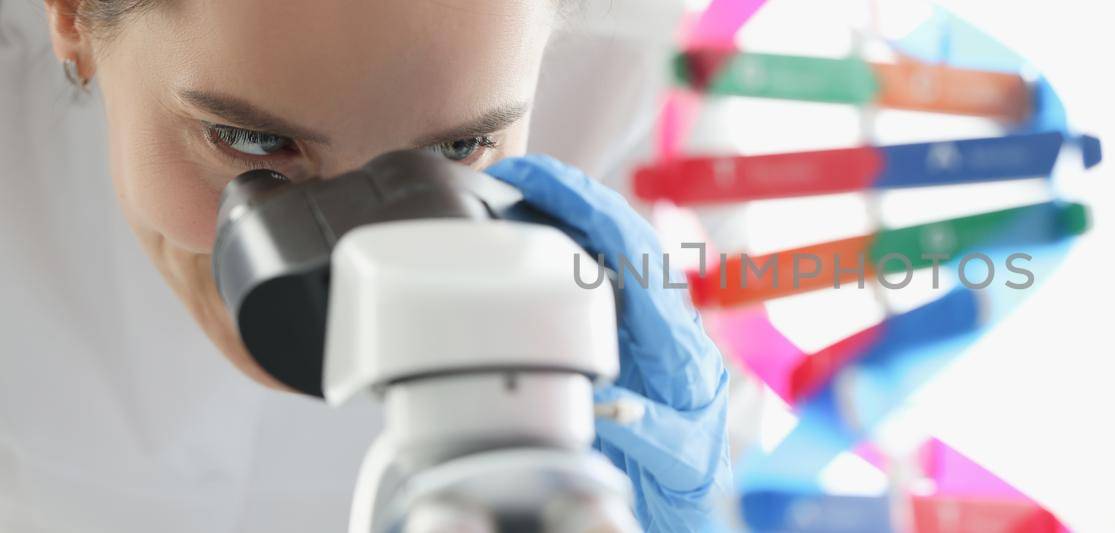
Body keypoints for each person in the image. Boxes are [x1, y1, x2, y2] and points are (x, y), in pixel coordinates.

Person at [0, 0, 728, 531]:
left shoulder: (638, 111)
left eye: (454, 150)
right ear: (72, 15)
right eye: (251, 142)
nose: (351, 262)